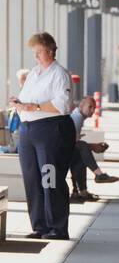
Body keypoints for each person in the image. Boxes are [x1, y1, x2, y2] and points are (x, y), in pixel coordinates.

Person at [10, 33, 75, 239]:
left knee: (50, 178)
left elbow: (63, 104)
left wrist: (35, 106)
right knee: (32, 179)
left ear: (49, 50)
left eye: (38, 52)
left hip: (51, 129)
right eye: (34, 53)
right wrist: (20, 103)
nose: (36, 57)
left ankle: (57, 227)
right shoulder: (34, 73)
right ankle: (40, 226)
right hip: (29, 129)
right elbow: (30, 98)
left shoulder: (60, 74)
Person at [68, 96, 119, 203]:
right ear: (81, 105)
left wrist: (92, 146)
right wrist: (93, 147)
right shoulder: (76, 118)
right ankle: (98, 175)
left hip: (64, 149)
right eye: (90, 107)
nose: (92, 110)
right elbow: (71, 143)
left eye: (94, 108)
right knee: (82, 147)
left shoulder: (78, 117)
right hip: (59, 151)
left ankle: (80, 192)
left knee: (80, 155)